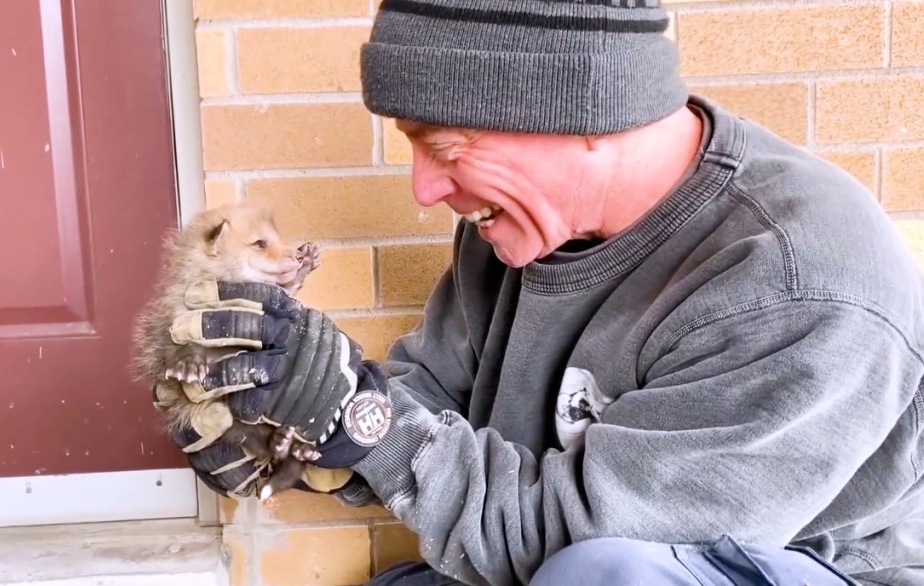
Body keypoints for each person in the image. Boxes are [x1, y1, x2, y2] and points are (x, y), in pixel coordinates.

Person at [165, 1, 924, 584]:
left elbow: (571, 541)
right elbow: (431, 401)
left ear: (582, 111)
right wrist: (304, 434)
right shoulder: (519, 229)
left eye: (444, 146)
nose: (425, 189)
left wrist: (369, 425)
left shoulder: (796, 285)